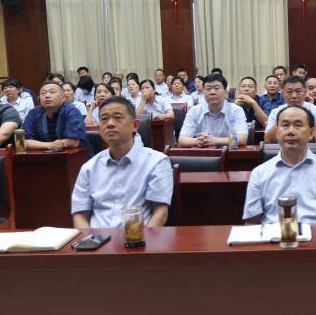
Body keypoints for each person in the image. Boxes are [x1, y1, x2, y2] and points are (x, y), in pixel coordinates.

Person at [71, 96, 172, 230]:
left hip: (138, 238)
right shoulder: (89, 167)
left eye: (117, 117)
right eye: (104, 119)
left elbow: (161, 213)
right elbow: (79, 215)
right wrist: (89, 240)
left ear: (134, 126)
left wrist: (143, 241)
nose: (110, 124)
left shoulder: (156, 162)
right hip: (97, 240)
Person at [242, 105, 316, 224]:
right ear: (277, 132)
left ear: (311, 133)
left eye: (298, 125)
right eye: (285, 125)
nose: (291, 131)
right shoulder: (259, 173)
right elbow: (251, 223)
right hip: (272, 234)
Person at [178, 73, 248, 148]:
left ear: (225, 93)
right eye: (208, 89)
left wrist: (215, 141)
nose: (212, 92)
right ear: (203, 92)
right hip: (204, 153)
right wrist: (198, 141)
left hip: (229, 153)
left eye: (216, 88)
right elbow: (182, 140)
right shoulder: (195, 111)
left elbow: (241, 139)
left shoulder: (236, 110)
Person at [21, 81, 89, 152]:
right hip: (43, 155)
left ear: (63, 97)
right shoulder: (34, 113)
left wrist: (51, 145)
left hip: (75, 155)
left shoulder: (71, 111)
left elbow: (74, 142)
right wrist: (49, 145)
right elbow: (23, 141)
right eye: (43, 93)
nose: (47, 96)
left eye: (52, 92)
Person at [263, 76, 316, 143]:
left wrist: (308, 115)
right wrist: (281, 118)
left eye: (298, 91)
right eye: (289, 92)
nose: (294, 96)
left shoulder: (315, 110)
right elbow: (267, 140)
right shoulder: (276, 112)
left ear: (305, 93)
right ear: (283, 94)